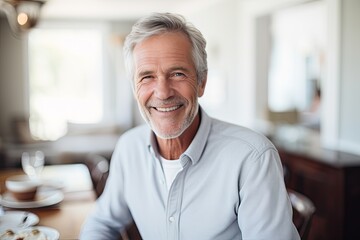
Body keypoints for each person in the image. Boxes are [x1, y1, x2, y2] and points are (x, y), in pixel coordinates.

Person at [80, 12, 300, 240]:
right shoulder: (129, 148)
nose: (163, 93)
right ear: (135, 88)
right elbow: (102, 222)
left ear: (202, 82)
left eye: (177, 73)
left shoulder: (252, 158)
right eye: (147, 77)